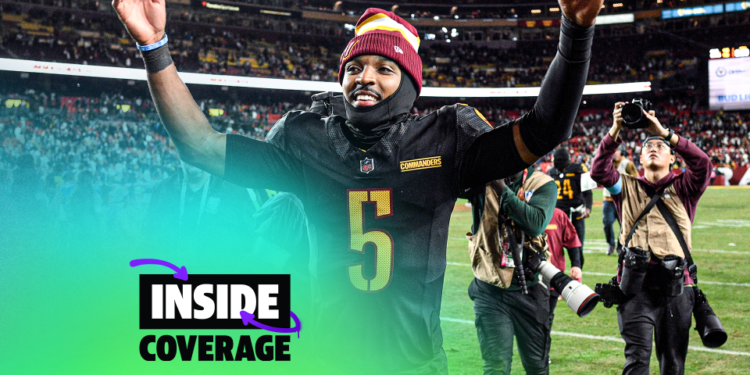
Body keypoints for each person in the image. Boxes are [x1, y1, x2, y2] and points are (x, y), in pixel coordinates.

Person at [113, 0, 603, 372]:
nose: (364, 77)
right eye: (353, 67)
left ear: (410, 85)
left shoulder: (445, 138)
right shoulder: (308, 140)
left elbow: (545, 129)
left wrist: (576, 31)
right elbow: (199, 145)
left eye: (384, 68)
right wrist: (154, 47)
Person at [590, 102, 712, 375]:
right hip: (635, 289)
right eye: (647, 147)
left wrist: (665, 133)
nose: (654, 149)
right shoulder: (625, 186)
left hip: (677, 288)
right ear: (640, 160)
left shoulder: (685, 187)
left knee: (673, 365)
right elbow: (598, 171)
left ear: (672, 158)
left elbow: (702, 164)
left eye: (661, 147)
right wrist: (616, 129)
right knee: (636, 362)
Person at [465, 167, 557, 375]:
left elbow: (535, 223)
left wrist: (502, 189)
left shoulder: (543, 183)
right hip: (490, 288)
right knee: (495, 365)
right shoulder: (481, 180)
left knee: (536, 366)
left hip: (531, 289)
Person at [543, 207, 582, 362]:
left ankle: (542, 355)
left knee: (546, 317)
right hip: (527, 277)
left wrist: (576, 264)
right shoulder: (524, 211)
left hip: (552, 276)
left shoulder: (558, 215)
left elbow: (572, 239)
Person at [547, 146, 592, 265]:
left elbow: (587, 191)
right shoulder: (552, 172)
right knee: (554, 247)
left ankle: (577, 272)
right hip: (558, 216)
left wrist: (588, 207)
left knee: (577, 247)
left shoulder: (579, 169)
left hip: (575, 213)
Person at [603, 144, 638, 255]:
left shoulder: (627, 164)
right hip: (608, 199)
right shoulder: (607, 162)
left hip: (623, 199)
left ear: (621, 152)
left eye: (616, 151)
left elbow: (636, 179)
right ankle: (611, 244)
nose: (613, 153)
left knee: (624, 225)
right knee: (607, 222)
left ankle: (620, 246)